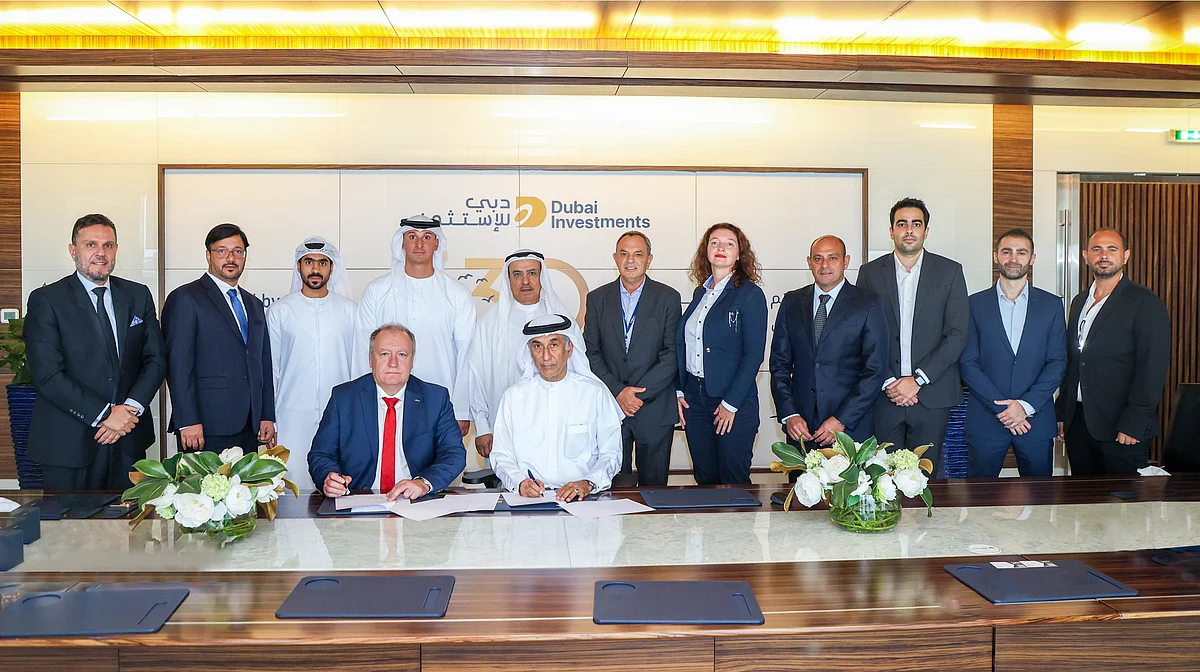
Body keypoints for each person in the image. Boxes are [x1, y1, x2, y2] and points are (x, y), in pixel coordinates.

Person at [24, 214, 166, 491]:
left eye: (108, 245)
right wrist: (105, 415)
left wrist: (128, 411)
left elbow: (156, 359)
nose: (101, 253)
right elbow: (48, 375)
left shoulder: (138, 295)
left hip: (128, 440)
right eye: (91, 245)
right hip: (69, 445)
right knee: (68, 521)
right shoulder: (47, 300)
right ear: (73, 250)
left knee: (131, 519)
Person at [857, 198, 968, 474]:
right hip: (885, 395)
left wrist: (918, 380)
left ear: (926, 231)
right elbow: (861, 334)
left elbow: (957, 334)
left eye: (916, 224)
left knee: (925, 479)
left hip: (932, 394)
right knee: (882, 478)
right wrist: (889, 381)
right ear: (891, 231)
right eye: (902, 224)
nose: (909, 230)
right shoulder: (870, 273)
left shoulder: (950, 271)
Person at [1056, 228, 1170, 475]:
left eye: (1112, 249)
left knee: (1122, 498)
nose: (1104, 255)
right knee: (1083, 497)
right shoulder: (1079, 302)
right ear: (1086, 256)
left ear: (1125, 256)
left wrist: (1135, 421)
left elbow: (1152, 368)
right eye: (1097, 249)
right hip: (1079, 424)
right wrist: (1063, 412)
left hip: (1122, 427)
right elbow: (1074, 361)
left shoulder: (1145, 302)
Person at [308, 324, 466, 500]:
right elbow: (321, 454)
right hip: (357, 498)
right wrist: (328, 479)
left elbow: (454, 454)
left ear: (412, 361)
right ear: (370, 359)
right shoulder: (344, 398)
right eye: (384, 354)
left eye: (402, 354)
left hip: (416, 501)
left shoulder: (435, 399)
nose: (393, 363)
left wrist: (423, 483)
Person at [960, 229, 1067, 478]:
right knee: (979, 496)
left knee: (1040, 497)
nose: (1013, 258)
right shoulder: (973, 304)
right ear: (996, 256)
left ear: (1032, 258)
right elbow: (967, 363)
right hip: (985, 421)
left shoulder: (1051, 305)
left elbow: (1057, 362)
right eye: (1006, 252)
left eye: (1021, 252)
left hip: (1035, 420)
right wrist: (1004, 410)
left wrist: (1025, 406)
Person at [355, 215, 474, 437]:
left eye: (427, 237)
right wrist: (363, 403)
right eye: (412, 237)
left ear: (437, 243)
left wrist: (460, 409)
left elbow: (466, 354)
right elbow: (364, 349)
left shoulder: (457, 294)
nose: (419, 244)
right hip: (385, 402)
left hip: (441, 404)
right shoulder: (378, 291)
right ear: (402, 243)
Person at [162, 223, 276, 453]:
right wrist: (187, 420)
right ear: (208, 255)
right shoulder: (185, 298)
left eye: (237, 251)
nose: (231, 258)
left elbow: (262, 362)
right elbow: (178, 366)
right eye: (222, 251)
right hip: (204, 426)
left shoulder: (253, 304)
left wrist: (266, 415)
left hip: (249, 425)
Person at [769, 235, 888, 455]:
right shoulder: (791, 302)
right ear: (809, 262)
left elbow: (875, 370)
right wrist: (790, 414)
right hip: (801, 429)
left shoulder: (868, 303)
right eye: (818, 258)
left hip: (850, 429)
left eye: (832, 258)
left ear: (846, 261)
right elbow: (779, 365)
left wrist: (842, 419)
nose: (824, 265)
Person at [490, 314, 623, 501]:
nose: (546, 356)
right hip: (528, 500)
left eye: (553, 345)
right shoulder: (514, 397)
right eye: (537, 346)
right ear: (530, 351)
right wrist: (519, 482)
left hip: (583, 500)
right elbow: (501, 455)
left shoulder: (595, 393)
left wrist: (588, 482)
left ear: (569, 349)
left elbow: (611, 453)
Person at [584, 232, 681, 486]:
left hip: (654, 408)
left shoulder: (668, 298)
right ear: (615, 258)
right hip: (611, 407)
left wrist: (636, 395)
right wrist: (619, 392)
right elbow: (591, 352)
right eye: (624, 254)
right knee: (614, 487)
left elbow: (671, 354)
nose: (630, 260)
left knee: (655, 489)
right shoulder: (597, 298)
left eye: (638, 254)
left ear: (649, 259)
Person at [676, 223, 767, 485]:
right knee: (705, 481)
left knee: (733, 483)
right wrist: (680, 390)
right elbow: (684, 345)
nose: (721, 248)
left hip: (731, 403)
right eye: (714, 242)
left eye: (729, 243)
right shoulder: (700, 293)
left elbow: (753, 355)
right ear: (706, 251)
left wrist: (730, 404)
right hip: (695, 401)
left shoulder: (750, 295)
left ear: (739, 254)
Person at [466, 249, 577, 461]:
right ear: (508, 279)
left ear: (541, 276)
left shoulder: (562, 321)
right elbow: (477, 376)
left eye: (532, 273)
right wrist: (482, 426)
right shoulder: (489, 324)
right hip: (502, 428)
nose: (525, 281)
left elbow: (579, 373)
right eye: (517, 274)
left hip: (556, 426)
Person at [267, 236, 357, 490]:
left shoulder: (350, 311)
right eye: (309, 262)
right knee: (291, 485)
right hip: (291, 416)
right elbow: (272, 369)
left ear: (332, 268)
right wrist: (271, 420)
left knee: (337, 484)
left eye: (322, 263)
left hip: (340, 416)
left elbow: (359, 367)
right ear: (299, 266)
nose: (315, 269)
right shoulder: (280, 311)